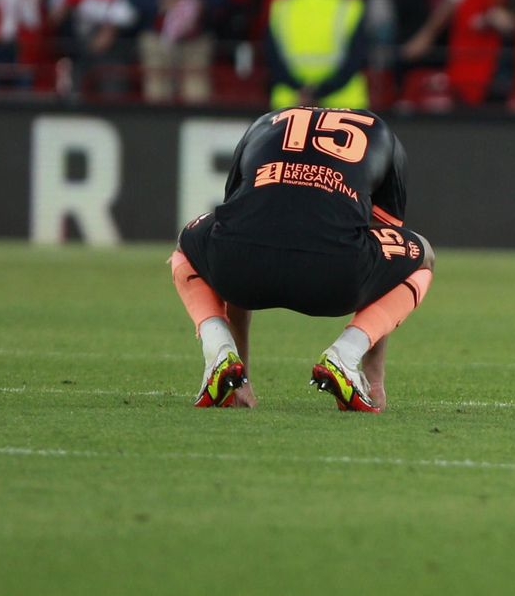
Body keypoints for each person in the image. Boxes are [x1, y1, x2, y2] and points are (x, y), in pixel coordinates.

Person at [171, 108, 434, 413]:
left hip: (240, 270)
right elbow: (384, 242)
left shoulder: (264, 123)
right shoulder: (380, 132)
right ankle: (347, 355)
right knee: (422, 254)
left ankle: (219, 348)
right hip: (335, 280)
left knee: (187, 242)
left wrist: (240, 374)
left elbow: (237, 225)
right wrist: (375, 377)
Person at [265, 0, 368, 109]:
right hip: (342, 108)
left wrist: (303, 92)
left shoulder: (282, 7)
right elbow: (355, 61)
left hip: (289, 106)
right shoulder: (351, 9)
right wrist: (318, 93)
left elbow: (272, 59)